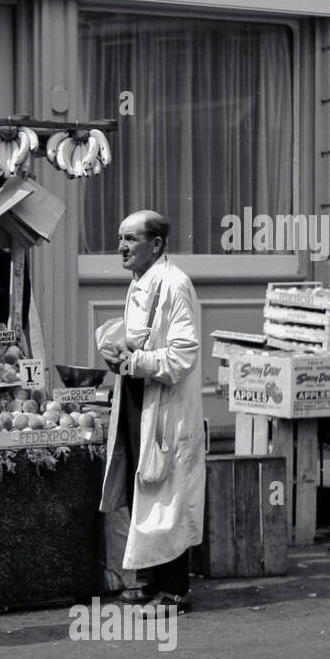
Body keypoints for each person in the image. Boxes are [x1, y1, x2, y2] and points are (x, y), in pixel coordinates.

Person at [98, 210, 205, 613]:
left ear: (156, 244)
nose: (122, 247)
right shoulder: (140, 282)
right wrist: (117, 353)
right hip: (137, 398)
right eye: (119, 238)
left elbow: (182, 356)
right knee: (140, 488)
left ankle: (174, 590)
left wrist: (133, 361)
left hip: (165, 406)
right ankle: (146, 579)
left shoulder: (175, 285)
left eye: (130, 239)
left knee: (168, 496)